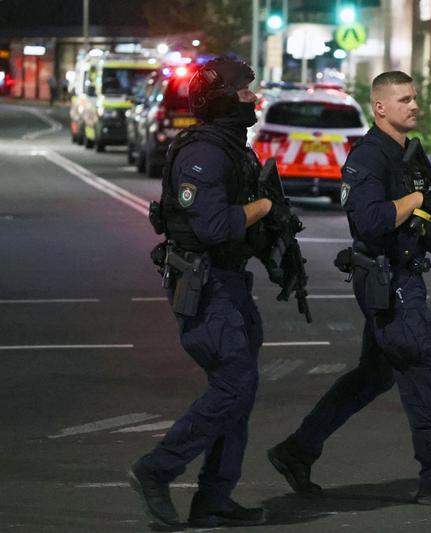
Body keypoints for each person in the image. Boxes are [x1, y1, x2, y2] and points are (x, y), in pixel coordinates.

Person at [266, 71, 431, 506]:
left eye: (414, 98)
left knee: (373, 375)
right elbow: (368, 221)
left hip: (403, 273)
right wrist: (418, 203)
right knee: (423, 369)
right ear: (381, 107)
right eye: (404, 99)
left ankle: (297, 450)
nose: (414, 106)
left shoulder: (409, 154)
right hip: (388, 279)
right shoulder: (367, 158)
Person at [128, 57, 278, 528]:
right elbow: (214, 225)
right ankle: (157, 469)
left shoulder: (233, 148)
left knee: (240, 391)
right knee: (234, 385)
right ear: (221, 100)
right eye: (244, 91)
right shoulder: (205, 154)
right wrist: (266, 206)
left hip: (230, 283)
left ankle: (214, 498)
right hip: (204, 285)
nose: (253, 98)